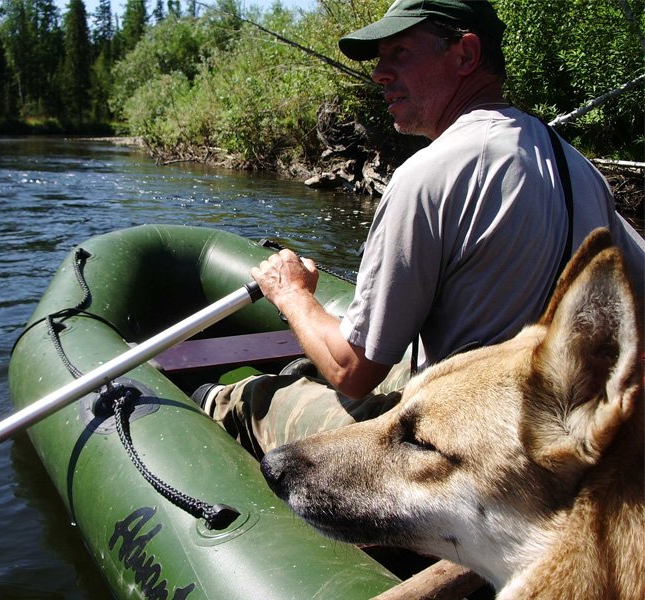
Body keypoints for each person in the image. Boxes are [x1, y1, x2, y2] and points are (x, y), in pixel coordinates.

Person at [193, 0, 645, 459]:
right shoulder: (582, 170)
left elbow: (352, 370)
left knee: (255, 401)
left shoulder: (427, 174)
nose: (379, 74)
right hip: (559, 445)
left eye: (400, 53)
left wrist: (290, 293)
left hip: (460, 455)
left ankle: (208, 402)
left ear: (466, 54)